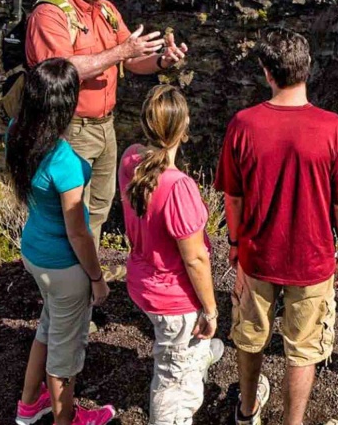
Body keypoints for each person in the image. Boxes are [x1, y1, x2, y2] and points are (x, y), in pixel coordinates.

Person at [215, 27, 338, 425]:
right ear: (307, 69)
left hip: (257, 253)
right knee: (303, 348)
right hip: (312, 260)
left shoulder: (243, 124)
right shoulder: (333, 129)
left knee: (250, 336)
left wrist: (233, 242)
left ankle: (247, 412)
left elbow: (234, 197)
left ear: (266, 72)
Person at [26, 0, 188, 280]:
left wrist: (161, 61)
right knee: (73, 213)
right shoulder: (50, 14)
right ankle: (71, 286)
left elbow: (132, 62)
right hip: (69, 128)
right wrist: (121, 53)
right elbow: (60, 70)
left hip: (104, 126)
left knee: (98, 207)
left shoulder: (107, 11)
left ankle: (88, 276)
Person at [7, 58, 116, 425]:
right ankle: (65, 418)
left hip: (34, 251)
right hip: (64, 266)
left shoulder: (16, 132)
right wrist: (97, 279)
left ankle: (28, 405)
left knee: (48, 327)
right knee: (64, 356)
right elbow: (79, 232)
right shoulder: (64, 162)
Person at [118, 85, 224, 425]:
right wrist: (210, 310)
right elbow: (195, 259)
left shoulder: (130, 158)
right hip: (173, 298)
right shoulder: (178, 186)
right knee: (173, 381)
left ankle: (198, 355)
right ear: (184, 126)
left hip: (142, 279)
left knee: (178, 351)